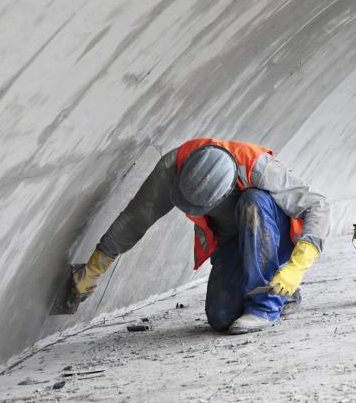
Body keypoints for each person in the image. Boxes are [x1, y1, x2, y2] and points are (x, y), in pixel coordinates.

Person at [68, 138, 330, 334]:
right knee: (220, 318)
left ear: (228, 187)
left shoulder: (256, 165)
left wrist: (296, 268)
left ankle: (266, 306)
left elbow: (317, 205)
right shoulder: (171, 169)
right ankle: (281, 293)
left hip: (273, 235)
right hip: (233, 240)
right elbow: (136, 218)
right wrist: (93, 269)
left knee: (254, 201)